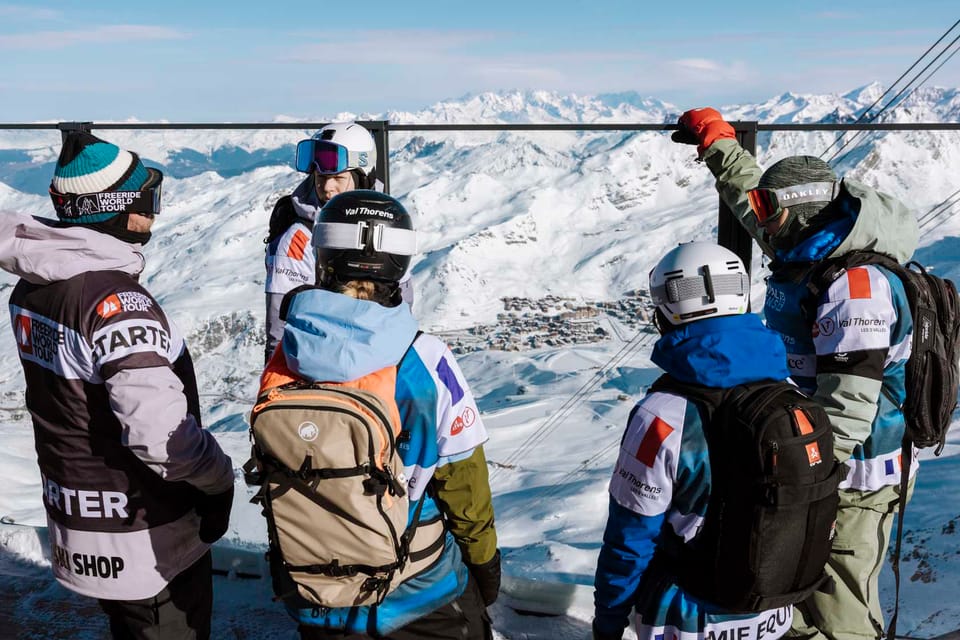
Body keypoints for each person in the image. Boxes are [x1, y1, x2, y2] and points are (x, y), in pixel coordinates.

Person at [672, 108, 919, 640]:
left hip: (852, 477)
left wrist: (805, 485)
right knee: (790, 592)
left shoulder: (857, 288)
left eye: (769, 208)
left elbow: (849, 408)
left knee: (838, 606)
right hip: (810, 457)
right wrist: (720, 145)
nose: (758, 217)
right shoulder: (804, 244)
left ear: (799, 211)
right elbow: (748, 197)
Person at [0, 131, 235, 639]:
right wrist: (218, 481)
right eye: (148, 197)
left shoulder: (36, 281)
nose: (155, 209)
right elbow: (160, 438)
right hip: (146, 534)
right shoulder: (115, 304)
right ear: (115, 206)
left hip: (80, 518)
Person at [259, 189, 499, 639]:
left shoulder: (287, 355)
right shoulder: (424, 358)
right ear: (400, 264)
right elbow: (465, 485)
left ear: (324, 255)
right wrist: (486, 571)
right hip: (417, 593)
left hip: (312, 586)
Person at [593, 241, 796, 640]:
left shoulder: (662, 416)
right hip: (774, 610)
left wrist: (609, 621)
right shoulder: (789, 392)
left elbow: (630, 538)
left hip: (689, 616)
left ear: (665, 313)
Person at [264, 122, 415, 363]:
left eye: (338, 178)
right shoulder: (298, 239)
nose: (326, 187)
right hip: (322, 360)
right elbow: (279, 329)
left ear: (361, 175)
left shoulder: (388, 223)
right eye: (320, 176)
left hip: (381, 355)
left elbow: (402, 301)